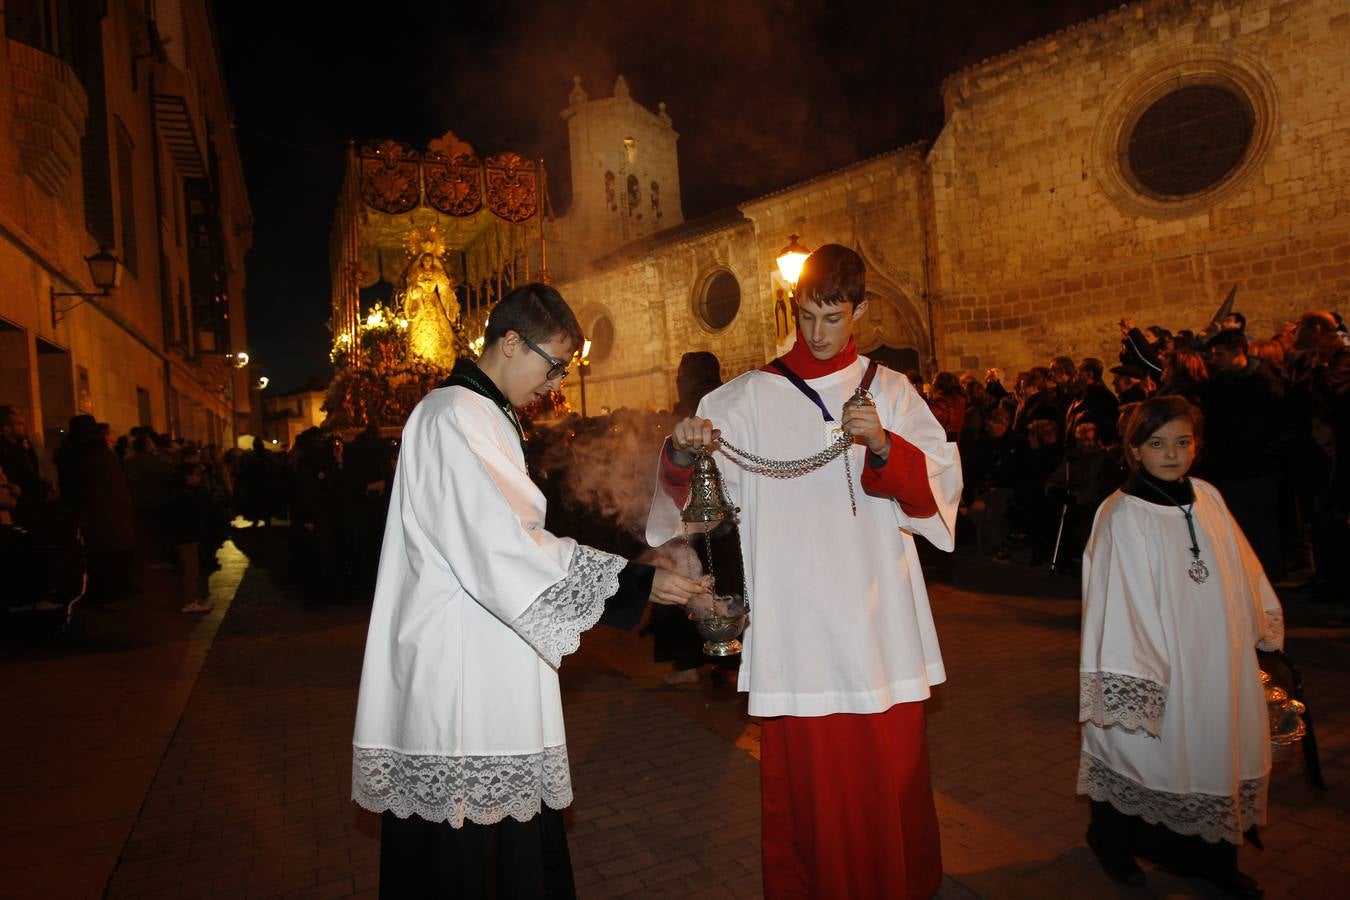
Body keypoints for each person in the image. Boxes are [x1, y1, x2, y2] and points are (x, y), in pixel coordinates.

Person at [351, 283, 710, 899]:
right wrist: (634, 584)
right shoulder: (452, 415)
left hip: (491, 661)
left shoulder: (484, 414)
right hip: (462, 682)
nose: (556, 383)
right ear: (512, 342)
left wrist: (638, 569)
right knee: (471, 863)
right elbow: (500, 547)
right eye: (554, 365)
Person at [648, 245, 961, 899]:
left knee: (890, 773)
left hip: (880, 620)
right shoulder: (744, 398)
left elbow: (939, 493)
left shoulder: (892, 392)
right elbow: (687, 500)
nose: (817, 333)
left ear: (860, 312)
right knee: (811, 788)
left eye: (833, 318)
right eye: (807, 316)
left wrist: (884, 446)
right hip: (797, 623)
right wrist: (680, 451)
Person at [1078, 396, 1281, 898]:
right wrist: (1141, 678)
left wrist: (1259, 621)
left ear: (1197, 445)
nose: (1171, 454)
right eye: (1157, 443)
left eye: (1182, 441)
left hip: (1217, 656)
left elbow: (1242, 565)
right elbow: (1118, 601)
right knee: (1143, 755)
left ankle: (1211, 859)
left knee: (1214, 750)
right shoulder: (1123, 514)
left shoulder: (1208, 496)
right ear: (1134, 449)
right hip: (1160, 661)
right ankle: (1112, 843)